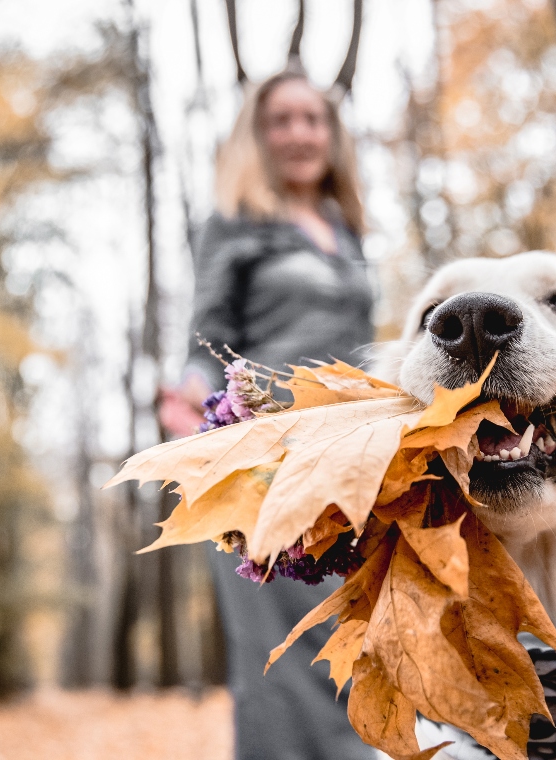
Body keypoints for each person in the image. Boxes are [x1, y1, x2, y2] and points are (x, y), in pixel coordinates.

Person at [160, 71, 376, 760]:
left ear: (331, 134)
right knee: (278, 654)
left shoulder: (345, 230)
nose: (299, 133)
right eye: (281, 120)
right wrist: (190, 395)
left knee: (345, 638)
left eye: (312, 119)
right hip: (259, 458)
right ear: (258, 136)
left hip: (345, 460)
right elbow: (205, 336)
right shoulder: (235, 222)